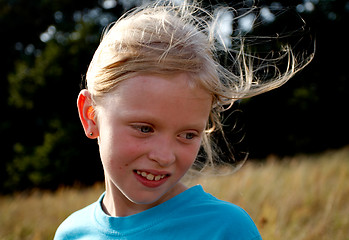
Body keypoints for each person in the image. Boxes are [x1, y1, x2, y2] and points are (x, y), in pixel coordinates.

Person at [54, 1, 312, 239]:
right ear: (90, 115)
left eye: (188, 135)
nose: (165, 157)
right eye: (145, 128)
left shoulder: (225, 229)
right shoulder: (71, 233)